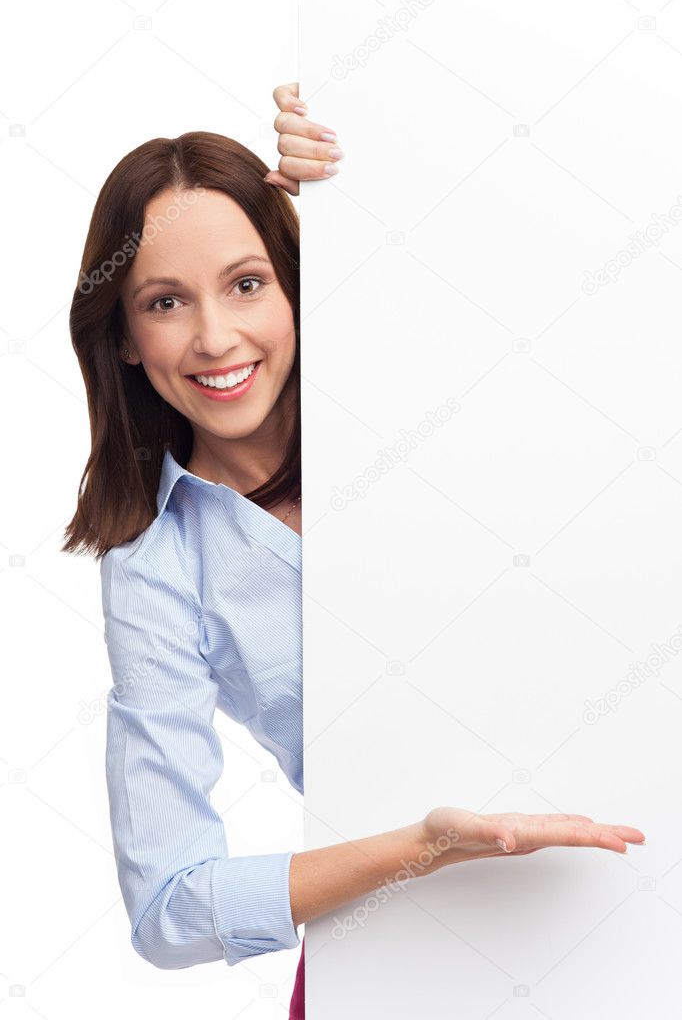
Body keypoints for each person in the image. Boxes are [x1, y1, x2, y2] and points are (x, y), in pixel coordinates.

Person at [62, 82, 646, 1019]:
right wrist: (426, 845)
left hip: (632, 887)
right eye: (166, 302)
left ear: (296, 281)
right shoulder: (153, 564)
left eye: (248, 282)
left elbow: (561, 239)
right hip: (391, 947)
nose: (217, 338)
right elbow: (169, 906)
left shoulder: (417, 397)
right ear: (125, 338)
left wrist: (372, 181)